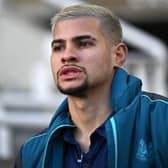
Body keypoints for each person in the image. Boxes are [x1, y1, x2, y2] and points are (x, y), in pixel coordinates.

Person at [15, 4, 168, 168]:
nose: (67, 56)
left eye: (84, 44)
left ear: (118, 55)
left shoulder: (161, 122)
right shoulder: (32, 153)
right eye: (58, 47)